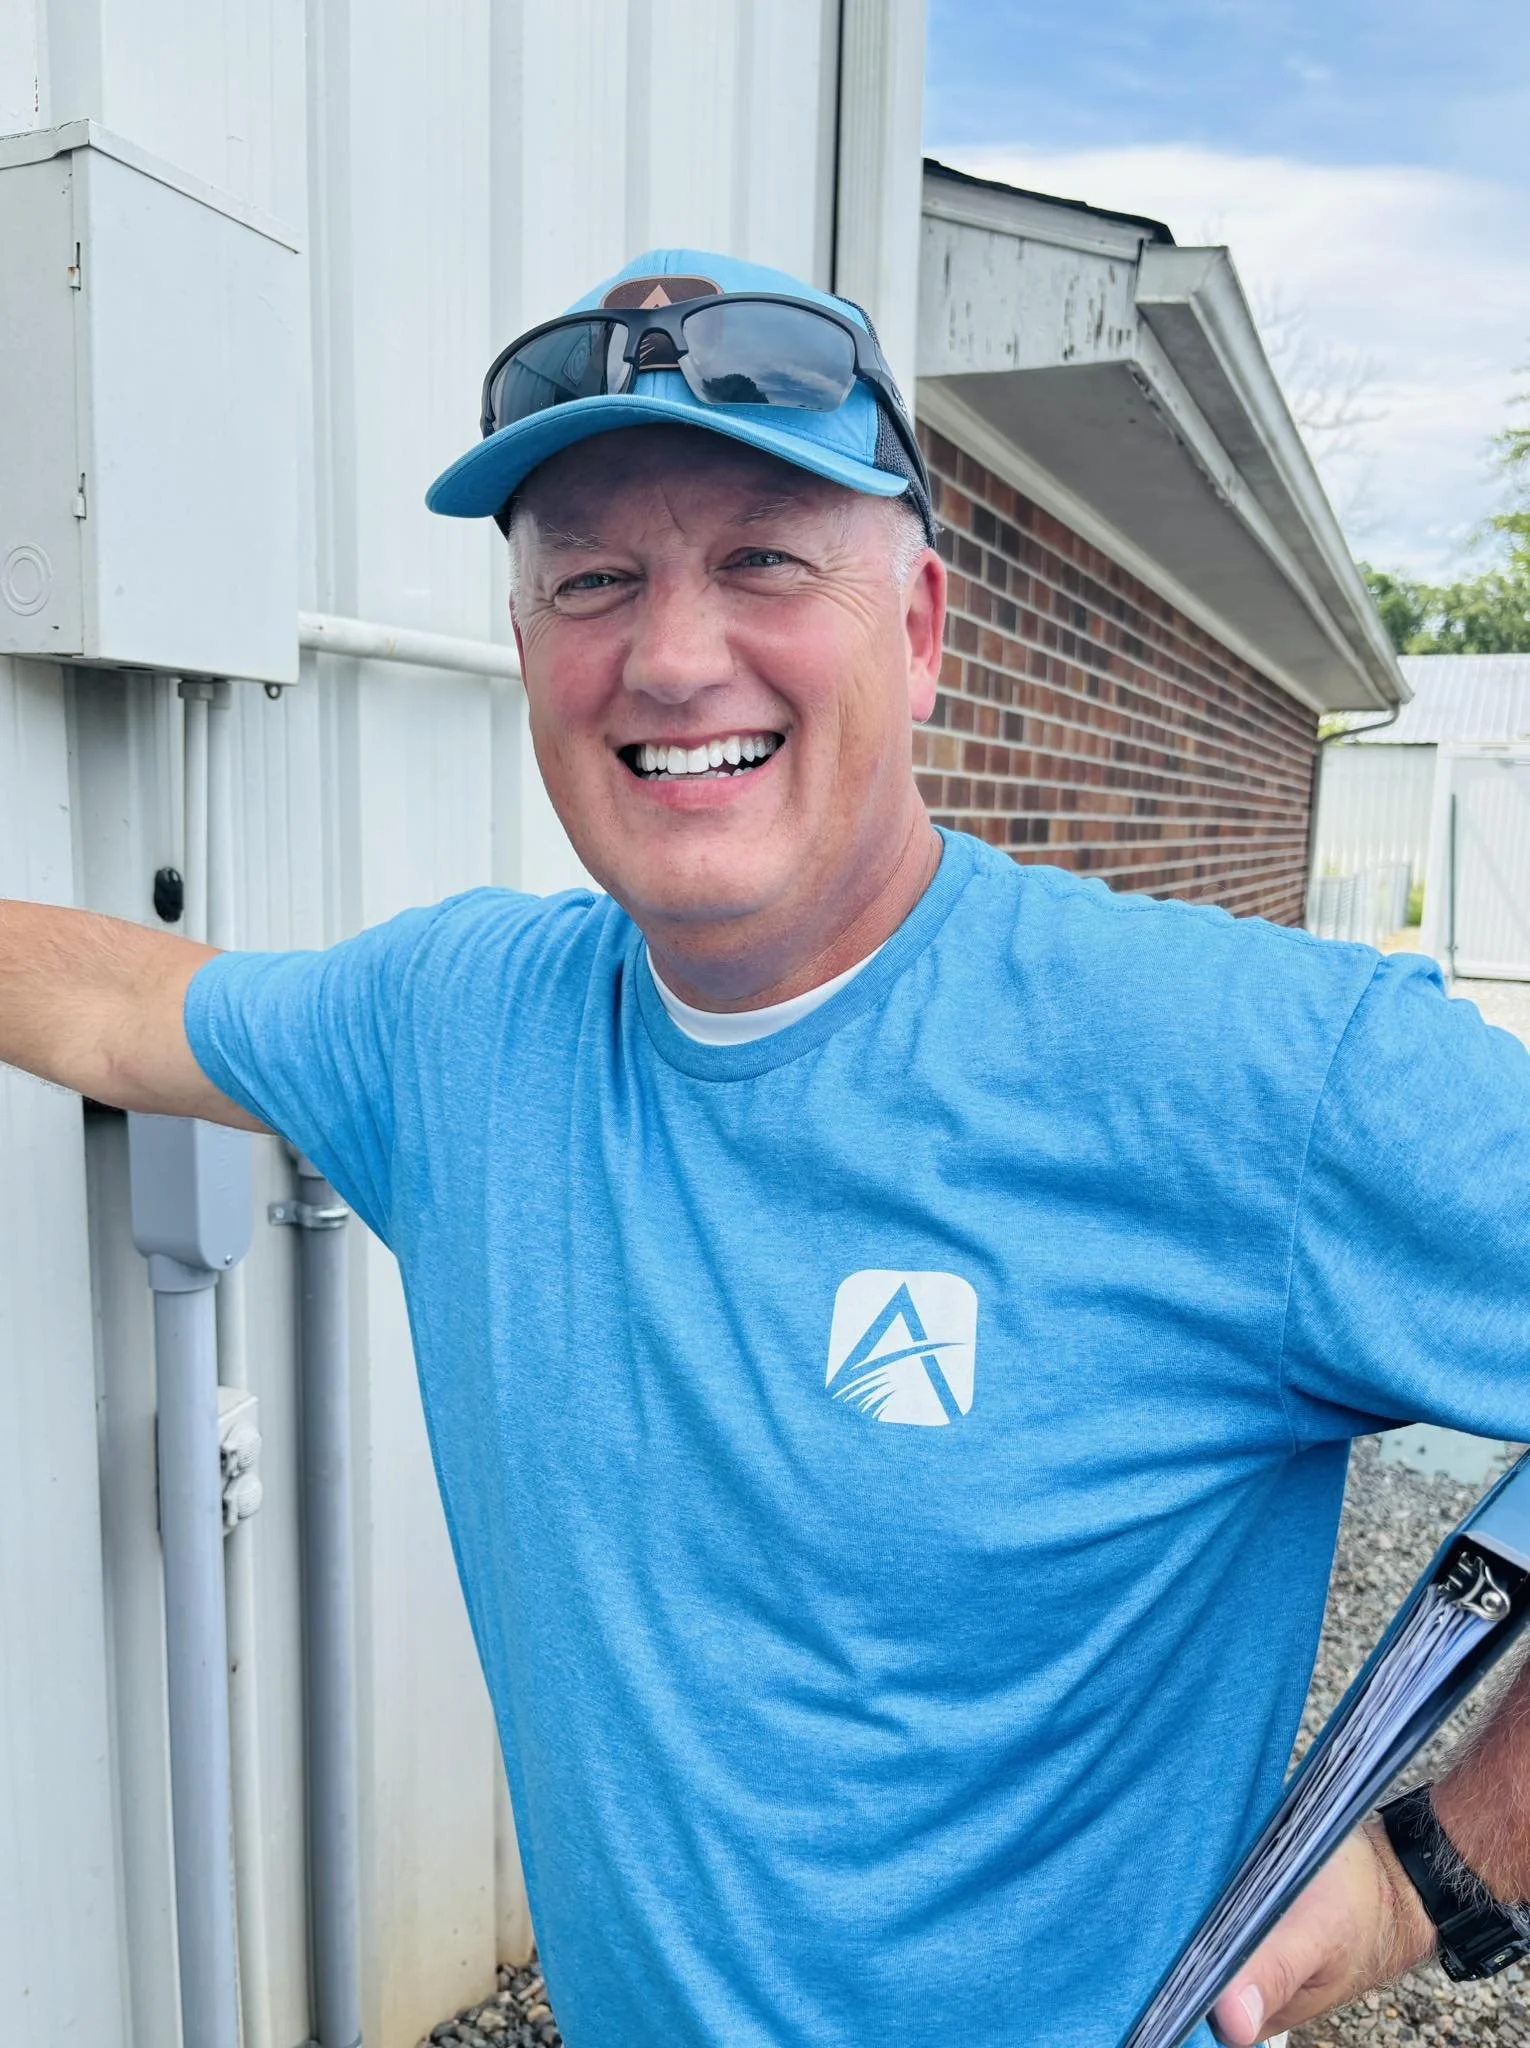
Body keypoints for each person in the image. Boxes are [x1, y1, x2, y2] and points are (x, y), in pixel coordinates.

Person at [4, 246, 1530, 2048]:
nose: (666, 653)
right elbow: (118, 1006)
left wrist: (1440, 1867)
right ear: (526, 653)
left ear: (920, 628)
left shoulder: (1245, 1074)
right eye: (593, 579)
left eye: (761, 560)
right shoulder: (457, 1030)